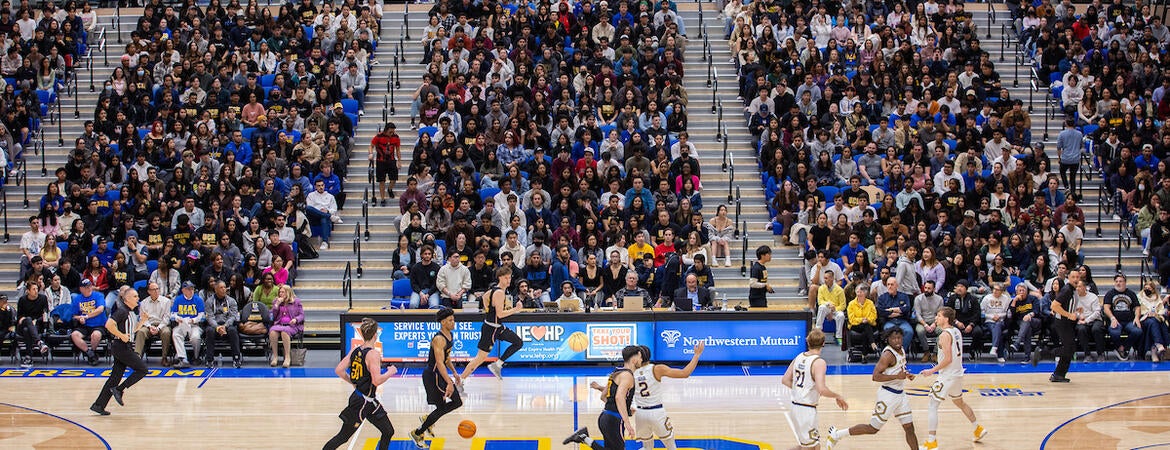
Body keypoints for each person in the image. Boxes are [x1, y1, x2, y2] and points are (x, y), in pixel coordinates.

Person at [826, 328, 920, 450]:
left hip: (900, 395)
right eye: (894, 338)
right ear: (888, 340)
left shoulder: (901, 349)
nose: (897, 341)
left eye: (899, 338)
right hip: (888, 396)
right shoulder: (887, 355)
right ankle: (837, 434)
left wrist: (906, 374)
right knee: (873, 428)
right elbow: (875, 376)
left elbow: (898, 368)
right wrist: (897, 376)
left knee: (909, 427)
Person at [323, 318, 398, 450]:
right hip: (361, 403)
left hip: (368, 401)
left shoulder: (356, 350)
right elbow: (376, 381)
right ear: (375, 334)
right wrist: (391, 372)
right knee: (343, 437)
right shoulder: (373, 354)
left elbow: (339, 370)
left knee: (388, 431)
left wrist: (353, 382)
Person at [917, 307, 987, 449]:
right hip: (957, 373)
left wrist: (932, 371)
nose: (936, 318)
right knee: (959, 402)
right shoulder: (956, 331)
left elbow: (948, 359)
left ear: (946, 319)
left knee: (932, 405)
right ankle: (977, 428)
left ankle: (931, 442)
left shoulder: (944, 335)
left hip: (948, 375)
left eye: (939, 316)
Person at [563, 345, 642, 450]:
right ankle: (583, 438)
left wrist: (625, 409)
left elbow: (604, 396)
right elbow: (619, 397)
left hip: (605, 417)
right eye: (640, 357)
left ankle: (584, 438)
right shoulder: (628, 376)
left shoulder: (617, 371)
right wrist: (627, 422)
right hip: (614, 420)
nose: (641, 360)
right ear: (634, 358)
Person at [630, 342, 705, 450]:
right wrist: (697, 355)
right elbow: (685, 373)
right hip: (657, 412)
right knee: (671, 447)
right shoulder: (657, 369)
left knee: (647, 447)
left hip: (640, 414)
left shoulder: (632, 372)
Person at [782, 329, 849, 450]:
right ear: (823, 343)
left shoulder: (799, 357)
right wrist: (837, 396)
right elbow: (821, 389)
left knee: (806, 446)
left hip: (794, 407)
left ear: (808, 342)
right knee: (812, 447)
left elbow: (785, 380)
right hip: (806, 410)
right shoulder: (819, 362)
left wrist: (800, 390)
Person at [90, 286, 150, 416]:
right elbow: (108, 325)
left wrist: (143, 321)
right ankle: (120, 389)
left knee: (114, 378)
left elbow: (132, 330)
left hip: (124, 346)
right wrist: (121, 335)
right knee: (142, 369)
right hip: (120, 346)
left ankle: (98, 405)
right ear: (127, 299)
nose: (138, 298)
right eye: (135, 296)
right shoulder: (122, 311)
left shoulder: (131, 312)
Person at [409, 308, 464, 448]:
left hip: (438, 374)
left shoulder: (449, 335)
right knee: (453, 403)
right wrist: (449, 382)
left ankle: (426, 422)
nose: (453, 322)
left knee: (445, 406)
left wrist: (455, 373)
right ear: (443, 322)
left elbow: (446, 358)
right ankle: (418, 432)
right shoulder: (439, 339)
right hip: (433, 375)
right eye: (450, 320)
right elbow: (439, 363)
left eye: (453, 319)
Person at [460, 267, 523, 380]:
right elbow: (500, 314)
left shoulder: (495, 289)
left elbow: (484, 296)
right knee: (480, 358)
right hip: (491, 328)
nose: (508, 280)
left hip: (498, 327)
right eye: (506, 278)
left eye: (509, 277)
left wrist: (488, 309)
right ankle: (460, 380)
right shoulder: (499, 292)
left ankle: (497, 365)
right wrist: (516, 309)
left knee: (518, 342)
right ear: (500, 278)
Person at [1048, 270, 1080, 381]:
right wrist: (1069, 315)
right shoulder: (1067, 290)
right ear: (1069, 278)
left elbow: (1068, 305)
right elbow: (1054, 305)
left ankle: (1059, 375)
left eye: (1077, 277)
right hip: (1062, 322)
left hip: (1066, 322)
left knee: (1070, 348)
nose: (1076, 279)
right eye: (1073, 277)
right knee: (1069, 348)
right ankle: (1044, 353)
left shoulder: (1072, 290)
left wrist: (1076, 311)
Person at [204, 281, 242, 368]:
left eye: (225, 287)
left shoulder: (231, 301)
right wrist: (217, 327)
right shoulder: (209, 301)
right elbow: (209, 317)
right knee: (209, 330)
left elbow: (233, 316)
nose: (224, 289)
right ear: (216, 289)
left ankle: (236, 358)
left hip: (227, 325)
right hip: (214, 325)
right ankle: (209, 359)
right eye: (221, 287)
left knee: (233, 330)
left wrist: (225, 326)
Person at [134, 282, 173, 366]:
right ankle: (137, 357)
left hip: (162, 324)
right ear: (149, 291)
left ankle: (164, 357)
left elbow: (167, 318)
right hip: (149, 325)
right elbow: (142, 318)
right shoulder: (144, 302)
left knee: (166, 332)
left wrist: (158, 328)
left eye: (157, 289)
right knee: (140, 332)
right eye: (153, 289)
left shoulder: (166, 301)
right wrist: (150, 326)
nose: (156, 291)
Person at [71, 279, 107, 366]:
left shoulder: (98, 296)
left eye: (90, 286)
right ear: (81, 289)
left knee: (96, 335)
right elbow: (74, 315)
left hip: (98, 325)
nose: (89, 288)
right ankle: (90, 353)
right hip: (84, 326)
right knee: (74, 335)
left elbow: (100, 309)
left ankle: (93, 351)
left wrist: (86, 316)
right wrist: (80, 318)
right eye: (86, 287)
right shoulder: (77, 299)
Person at [170, 281, 206, 368]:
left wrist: (193, 320)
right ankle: (183, 359)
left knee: (195, 337)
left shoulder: (198, 300)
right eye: (189, 289)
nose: (191, 291)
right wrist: (177, 318)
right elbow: (172, 314)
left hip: (195, 325)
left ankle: (196, 356)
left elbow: (202, 315)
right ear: (183, 290)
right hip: (181, 324)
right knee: (176, 334)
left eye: (192, 289)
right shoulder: (178, 299)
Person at [913, 280, 944, 362]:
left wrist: (934, 324)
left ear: (934, 289)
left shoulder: (939, 299)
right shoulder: (918, 299)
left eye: (929, 288)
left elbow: (940, 314)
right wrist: (925, 325)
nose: (926, 290)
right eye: (925, 288)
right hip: (922, 322)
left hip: (935, 321)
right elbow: (918, 315)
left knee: (942, 331)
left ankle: (935, 353)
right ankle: (926, 351)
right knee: (920, 331)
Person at [815, 270, 846, 343]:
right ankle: (818, 332)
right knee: (821, 307)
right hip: (826, 308)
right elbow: (820, 301)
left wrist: (834, 309)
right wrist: (828, 304)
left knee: (841, 316)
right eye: (824, 278)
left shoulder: (840, 290)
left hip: (835, 310)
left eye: (826, 278)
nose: (824, 280)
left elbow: (843, 305)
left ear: (832, 278)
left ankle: (839, 337)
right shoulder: (821, 288)